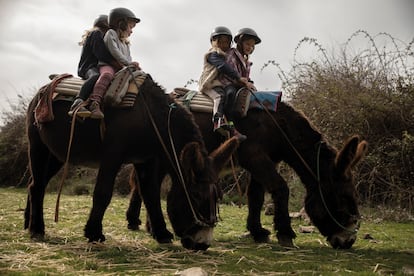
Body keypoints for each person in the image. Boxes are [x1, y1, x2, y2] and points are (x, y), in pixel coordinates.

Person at [87, 7, 141, 119]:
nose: (131, 31)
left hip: (121, 68)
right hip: (108, 66)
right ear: (121, 24)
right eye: (130, 27)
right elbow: (115, 52)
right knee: (107, 75)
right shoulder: (111, 34)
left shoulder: (125, 44)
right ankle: (95, 102)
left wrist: (133, 66)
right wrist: (128, 63)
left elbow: (128, 57)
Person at [198, 26, 251, 135]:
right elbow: (223, 67)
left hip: (217, 84)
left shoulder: (225, 55)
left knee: (229, 96)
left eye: (226, 43)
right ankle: (218, 120)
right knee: (219, 96)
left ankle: (231, 124)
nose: (223, 45)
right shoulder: (212, 54)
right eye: (220, 42)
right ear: (213, 42)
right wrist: (238, 77)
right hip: (208, 84)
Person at [68, 15, 121, 117]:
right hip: (89, 67)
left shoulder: (99, 35)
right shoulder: (96, 34)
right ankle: (78, 100)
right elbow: (101, 54)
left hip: (97, 66)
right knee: (95, 76)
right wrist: (117, 63)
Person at [220, 27, 261, 104]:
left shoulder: (246, 62)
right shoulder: (232, 54)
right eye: (247, 44)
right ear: (240, 43)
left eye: (252, 46)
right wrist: (245, 83)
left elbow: (246, 77)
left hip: (240, 86)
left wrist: (250, 82)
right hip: (227, 84)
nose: (250, 48)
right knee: (231, 94)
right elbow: (230, 74)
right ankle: (223, 115)